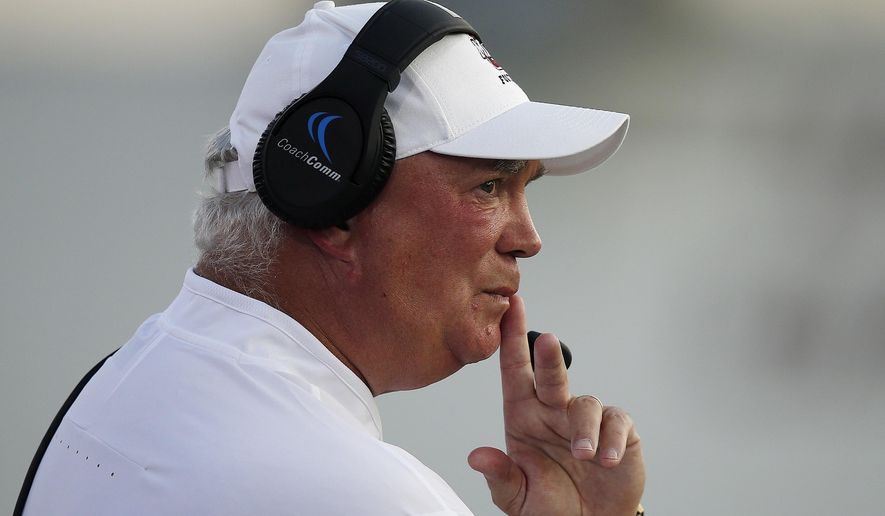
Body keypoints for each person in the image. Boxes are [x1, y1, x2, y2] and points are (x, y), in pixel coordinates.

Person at [19, 1, 644, 514]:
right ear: (332, 203)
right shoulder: (358, 493)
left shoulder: (132, 379)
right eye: (489, 187)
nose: (527, 238)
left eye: (524, 190)